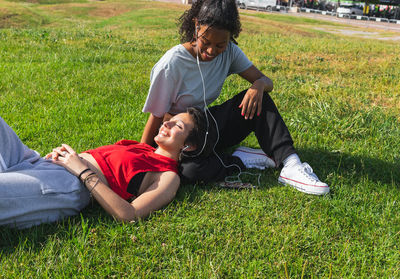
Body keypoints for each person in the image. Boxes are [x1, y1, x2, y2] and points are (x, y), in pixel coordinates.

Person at [141, 0, 329, 195]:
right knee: (188, 172)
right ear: (196, 25)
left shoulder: (230, 53)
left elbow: (266, 81)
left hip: (206, 126)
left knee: (261, 100)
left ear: (231, 38)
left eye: (220, 45)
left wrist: (259, 85)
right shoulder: (172, 63)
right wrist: (140, 156)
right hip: (178, 139)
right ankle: (241, 159)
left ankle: (290, 164)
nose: (212, 51)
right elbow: (156, 116)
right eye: (206, 42)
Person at [0, 108, 209, 229]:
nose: (166, 125)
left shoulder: (168, 176)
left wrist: (82, 171)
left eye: (177, 126)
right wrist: (66, 156)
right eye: (170, 120)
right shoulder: (140, 147)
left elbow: (130, 215)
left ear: (188, 146)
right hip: (41, 163)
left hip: (69, 185)